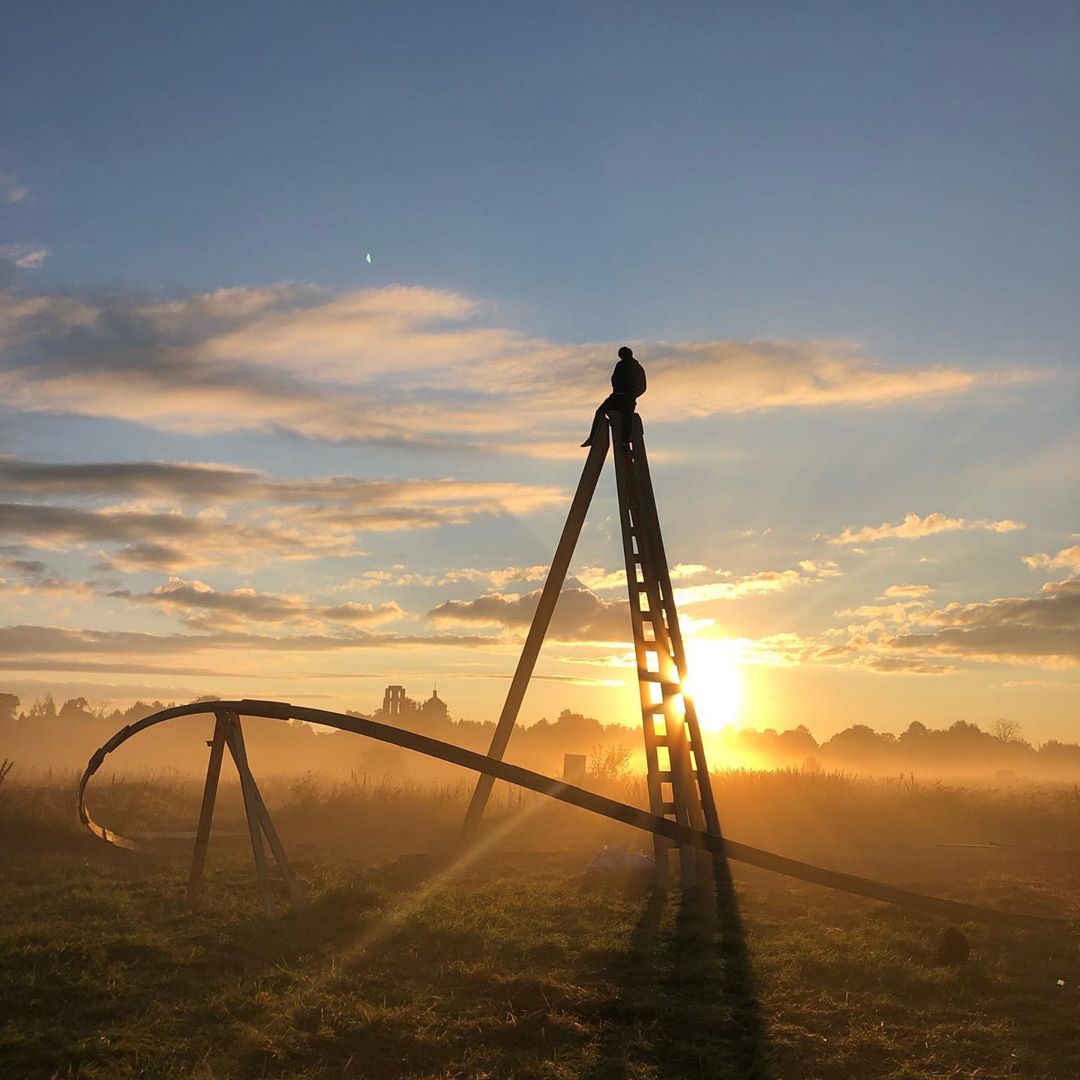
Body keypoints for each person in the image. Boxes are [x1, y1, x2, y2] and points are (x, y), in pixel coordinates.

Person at [581, 346, 647, 447]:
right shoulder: (620, 365)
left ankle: (625, 441)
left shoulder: (637, 368)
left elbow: (643, 387)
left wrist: (632, 396)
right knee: (600, 412)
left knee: (627, 419)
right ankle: (592, 438)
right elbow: (614, 379)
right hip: (616, 397)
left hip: (627, 399)